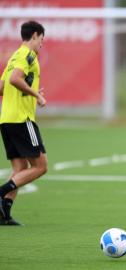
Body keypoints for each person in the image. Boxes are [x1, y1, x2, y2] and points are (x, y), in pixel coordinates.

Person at [0, 21, 47, 226]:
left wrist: (27, 92)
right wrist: (35, 94)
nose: (41, 45)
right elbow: (14, 80)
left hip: (6, 119)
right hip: (22, 119)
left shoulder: (14, 57)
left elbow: (2, 87)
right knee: (40, 166)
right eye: (41, 40)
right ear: (35, 35)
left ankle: (4, 214)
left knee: (20, 167)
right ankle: (1, 193)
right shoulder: (28, 55)